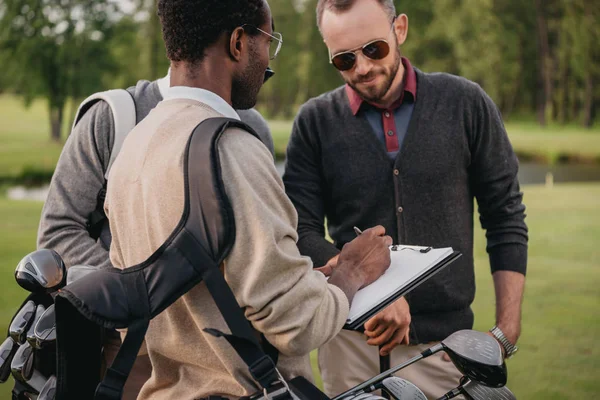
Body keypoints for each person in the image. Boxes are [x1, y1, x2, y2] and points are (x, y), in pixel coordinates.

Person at [103, 0, 393, 398]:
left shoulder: (133, 148)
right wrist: (353, 270)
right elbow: (298, 325)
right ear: (239, 43)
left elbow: (134, 312)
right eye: (268, 40)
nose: (268, 59)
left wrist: (305, 280)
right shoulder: (230, 149)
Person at [282, 0, 529, 397]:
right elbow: (300, 230)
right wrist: (371, 291)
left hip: (446, 349)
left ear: (399, 29)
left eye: (373, 49)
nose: (361, 67)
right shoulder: (314, 122)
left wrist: (507, 331)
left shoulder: (466, 103)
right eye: (343, 59)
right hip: (350, 349)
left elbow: (505, 217)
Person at [36, 74, 274, 399]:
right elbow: (58, 230)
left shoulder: (250, 126)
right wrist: (148, 293)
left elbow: (261, 241)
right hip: (130, 350)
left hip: (231, 350)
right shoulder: (114, 116)